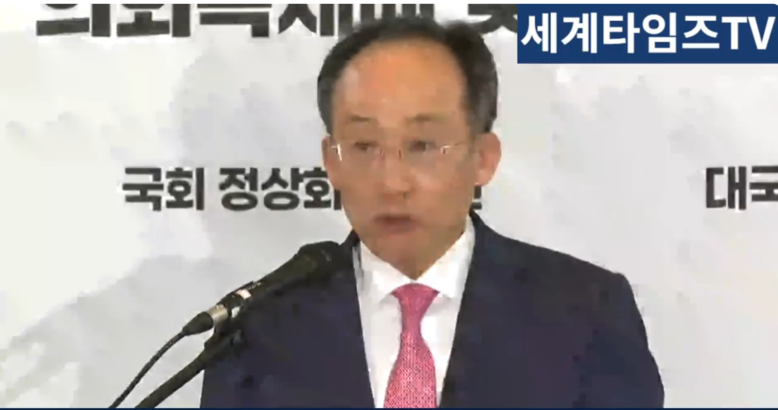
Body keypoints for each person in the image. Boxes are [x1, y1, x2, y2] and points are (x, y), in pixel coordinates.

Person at [200, 16, 663, 408]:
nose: (392, 182)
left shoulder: (585, 312)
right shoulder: (258, 329)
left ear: (483, 157)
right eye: (364, 146)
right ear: (332, 161)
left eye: (422, 145)